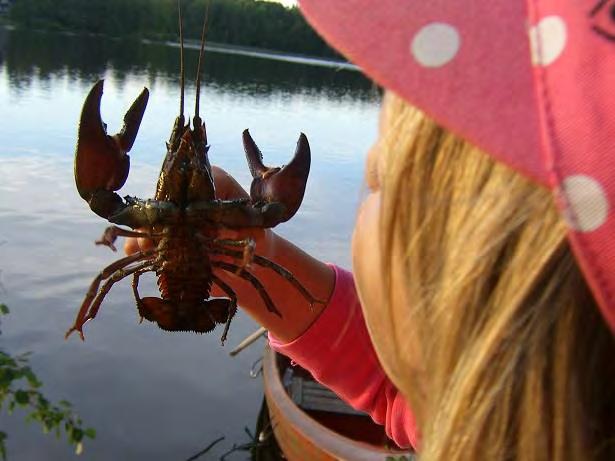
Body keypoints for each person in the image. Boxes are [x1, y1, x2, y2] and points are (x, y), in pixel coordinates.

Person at [126, 1, 615, 459]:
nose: (364, 173)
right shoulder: (484, 398)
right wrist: (258, 248)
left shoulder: (450, 401)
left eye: (378, 179)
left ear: (471, 272)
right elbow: (387, 384)